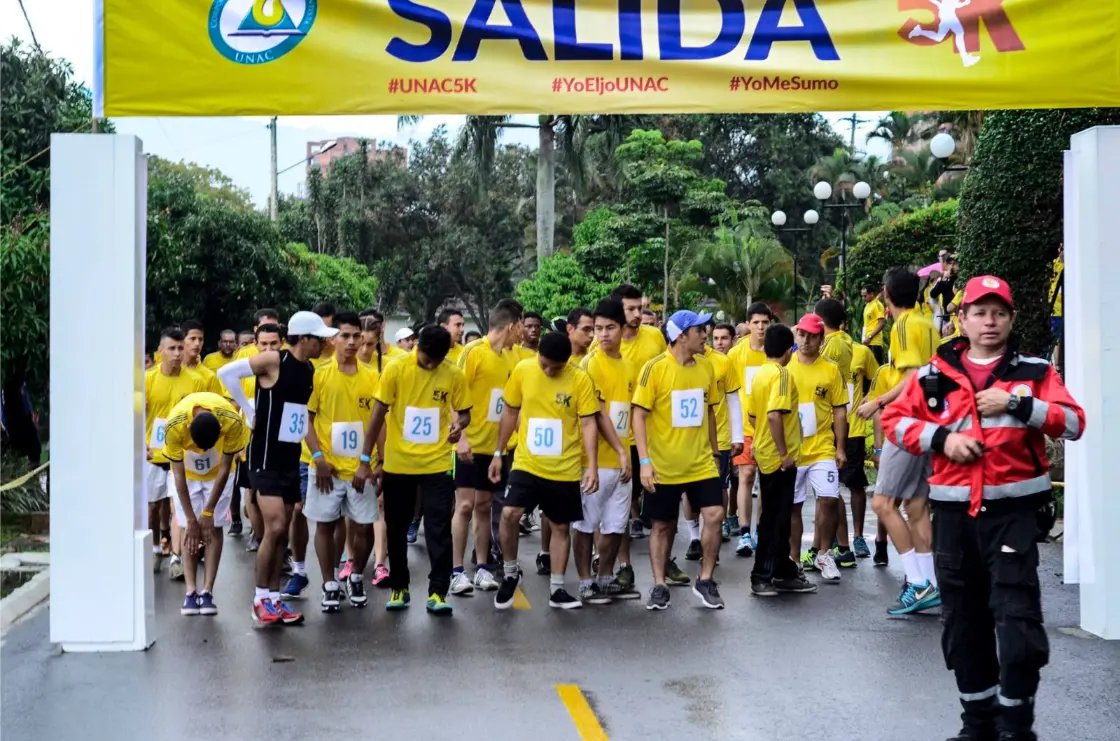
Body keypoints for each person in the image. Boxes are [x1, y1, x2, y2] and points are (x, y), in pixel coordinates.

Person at [882, 275, 1084, 741]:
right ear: (963, 319)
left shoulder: (1034, 372)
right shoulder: (934, 373)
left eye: (998, 313)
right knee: (964, 627)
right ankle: (977, 726)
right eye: (979, 312)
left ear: (1011, 319)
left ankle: (1016, 727)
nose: (989, 321)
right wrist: (941, 438)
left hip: (1013, 519)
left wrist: (1019, 403)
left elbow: (1074, 422)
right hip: (953, 520)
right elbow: (895, 422)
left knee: (1018, 626)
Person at [219, 311, 337, 626]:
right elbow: (226, 373)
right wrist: (249, 409)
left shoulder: (309, 369)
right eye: (321, 339)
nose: (325, 344)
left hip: (288, 458)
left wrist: (318, 454)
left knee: (282, 530)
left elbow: (302, 417)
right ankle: (259, 599)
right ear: (305, 338)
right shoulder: (274, 361)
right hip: (265, 457)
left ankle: (274, 599)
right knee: (274, 527)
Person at [354, 325, 470, 615]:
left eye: (436, 361)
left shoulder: (453, 373)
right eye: (425, 358)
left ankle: (438, 592)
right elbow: (378, 414)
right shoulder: (396, 368)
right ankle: (399, 586)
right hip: (398, 463)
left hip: (437, 463)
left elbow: (465, 411)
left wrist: (460, 426)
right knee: (396, 527)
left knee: (438, 528)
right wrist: (365, 459)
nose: (429, 364)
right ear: (417, 347)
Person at [633, 310, 741, 610]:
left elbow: (707, 410)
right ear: (682, 335)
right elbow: (638, 416)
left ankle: (705, 579)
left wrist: (714, 448)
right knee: (662, 526)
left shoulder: (707, 367)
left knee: (715, 514)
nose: (705, 335)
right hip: (664, 465)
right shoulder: (654, 369)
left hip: (700, 461)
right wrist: (644, 461)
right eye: (699, 330)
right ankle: (658, 585)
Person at [488, 332, 600, 610]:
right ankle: (511, 573)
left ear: (567, 363)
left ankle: (558, 589)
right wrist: (499, 452)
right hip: (527, 462)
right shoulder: (523, 370)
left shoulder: (580, 379)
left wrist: (592, 466)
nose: (548, 370)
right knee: (509, 513)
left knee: (561, 526)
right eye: (544, 363)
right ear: (537, 353)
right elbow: (510, 412)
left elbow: (588, 424)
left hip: (564, 467)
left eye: (556, 367)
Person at [855, 267, 941, 615]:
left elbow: (912, 377)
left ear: (887, 296)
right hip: (930, 422)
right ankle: (931, 582)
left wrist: (878, 401)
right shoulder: (926, 323)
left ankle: (919, 584)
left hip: (908, 422)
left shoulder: (904, 325)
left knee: (883, 504)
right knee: (917, 506)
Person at [294, 313, 381, 612]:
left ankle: (356, 575)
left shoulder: (372, 377)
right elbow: (306, 417)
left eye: (357, 336)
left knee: (364, 526)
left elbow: (379, 422)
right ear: (333, 339)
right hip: (326, 469)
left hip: (360, 468)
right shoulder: (319, 374)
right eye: (345, 336)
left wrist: (373, 463)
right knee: (325, 525)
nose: (352, 342)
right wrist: (318, 458)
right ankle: (329, 582)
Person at [449, 302, 521, 596]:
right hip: (468, 446)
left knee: (484, 506)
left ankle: (481, 567)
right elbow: (453, 396)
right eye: (521, 327)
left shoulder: (510, 357)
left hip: (493, 449)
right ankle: (456, 572)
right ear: (513, 326)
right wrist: (461, 437)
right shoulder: (473, 352)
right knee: (464, 506)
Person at [163, 391, 249, 616]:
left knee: (214, 527)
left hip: (217, 473)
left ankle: (207, 590)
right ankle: (190, 591)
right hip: (188, 476)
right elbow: (178, 476)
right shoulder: (175, 424)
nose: (201, 452)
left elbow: (224, 469)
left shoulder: (231, 420)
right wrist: (191, 519)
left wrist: (208, 512)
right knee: (187, 528)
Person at [575, 299, 638, 603]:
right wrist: (621, 451)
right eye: (598, 328)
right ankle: (585, 580)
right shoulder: (591, 363)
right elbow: (597, 416)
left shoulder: (628, 365)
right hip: (595, 461)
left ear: (622, 329)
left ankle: (606, 576)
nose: (602, 334)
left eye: (609, 328)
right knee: (586, 524)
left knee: (615, 524)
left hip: (621, 460)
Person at [747, 324, 816, 597]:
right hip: (779, 457)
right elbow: (775, 414)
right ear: (789, 350)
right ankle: (762, 574)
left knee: (779, 516)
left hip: (764, 451)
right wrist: (784, 451)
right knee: (774, 519)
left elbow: (754, 415)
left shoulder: (760, 374)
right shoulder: (782, 375)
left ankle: (782, 569)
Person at [607, 284, 668, 585]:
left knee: (662, 503)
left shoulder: (655, 337)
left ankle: (666, 562)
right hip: (620, 440)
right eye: (629, 309)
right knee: (621, 507)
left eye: (638, 308)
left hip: (656, 436)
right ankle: (623, 565)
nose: (636, 315)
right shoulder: (602, 347)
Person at [787, 313, 848, 581]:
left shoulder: (831, 370)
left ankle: (824, 553)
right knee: (793, 508)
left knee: (829, 499)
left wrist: (840, 447)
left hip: (822, 446)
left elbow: (839, 411)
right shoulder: (784, 367)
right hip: (793, 450)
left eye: (812, 335)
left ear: (821, 338)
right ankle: (792, 560)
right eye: (802, 334)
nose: (806, 340)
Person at [145, 328, 207, 577]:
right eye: (172, 348)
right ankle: (154, 547)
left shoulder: (195, 381)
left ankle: (176, 558)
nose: (178, 353)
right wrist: (141, 445)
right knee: (153, 506)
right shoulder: (147, 380)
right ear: (160, 351)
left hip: (182, 455)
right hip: (155, 454)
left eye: (180, 348)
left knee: (179, 507)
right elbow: (136, 416)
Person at [808, 298, 856, 569]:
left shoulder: (833, 345)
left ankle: (839, 547)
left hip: (835, 422)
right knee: (829, 494)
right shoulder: (844, 340)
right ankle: (832, 546)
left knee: (830, 494)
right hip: (834, 420)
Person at [727, 302, 773, 556]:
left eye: (765, 322)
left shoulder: (775, 351)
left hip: (769, 427)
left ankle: (760, 531)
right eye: (756, 322)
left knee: (765, 480)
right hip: (744, 426)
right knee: (745, 475)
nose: (760, 327)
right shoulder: (736, 354)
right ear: (748, 324)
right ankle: (744, 533)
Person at [237, 323, 284, 551]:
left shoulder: (286, 368)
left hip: (278, 444)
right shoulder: (246, 369)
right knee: (251, 492)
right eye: (263, 344)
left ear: (282, 343)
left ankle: (276, 544)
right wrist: (248, 410)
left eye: (273, 343)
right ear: (255, 344)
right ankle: (259, 535)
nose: (268, 348)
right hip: (249, 441)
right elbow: (232, 402)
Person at [841, 332, 880, 559]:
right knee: (828, 492)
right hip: (825, 431)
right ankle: (837, 543)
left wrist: (870, 397)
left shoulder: (861, 351)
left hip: (854, 428)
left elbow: (878, 379)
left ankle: (858, 536)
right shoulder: (818, 351)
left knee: (855, 484)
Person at [709, 322, 739, 544]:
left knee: (722, 484)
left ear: (732, 340)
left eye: (724, 338)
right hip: (695, 441)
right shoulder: (700, 361)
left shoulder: (727, 363)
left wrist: (736, 435)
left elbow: (733, 401)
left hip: (722, 437)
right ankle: (695, 534)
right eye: (715, 338)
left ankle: (724, 520)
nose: (719, 343)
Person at [861, 285, 887, 364]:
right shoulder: (868, 305)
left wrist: (870, 337)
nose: (863, 298)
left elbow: (882, 323)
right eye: (862, 296)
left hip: (874, 342)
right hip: (867, 341)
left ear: (872, 294)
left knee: (876, 366)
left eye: (865, 296)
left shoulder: (877, 305)